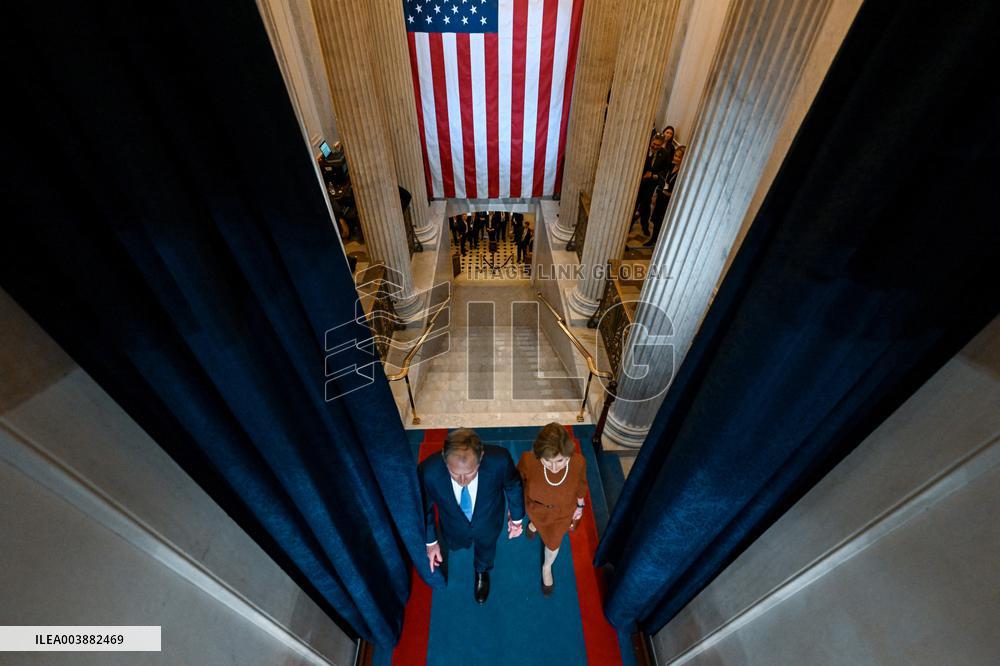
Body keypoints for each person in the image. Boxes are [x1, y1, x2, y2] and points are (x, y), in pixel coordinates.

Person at [419, 428, 524, 604]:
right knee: (453, 545)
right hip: (452, 528)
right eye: (455, 473)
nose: (462, 481)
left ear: (481, 457)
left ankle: (482, 571)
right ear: (444, 458)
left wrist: (516, 518)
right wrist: (431, 541)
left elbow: (513, 485)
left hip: (488, 524)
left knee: (487, 549)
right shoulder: (428, 472)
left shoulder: (500, 460)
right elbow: (425, 506)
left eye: (469, 473)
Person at [517, 423, 588, 596]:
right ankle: (535, 525)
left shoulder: (578, 462)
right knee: (536, 520)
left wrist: (580, 505)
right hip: (535, 508)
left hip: (561, 514)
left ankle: (546, 566)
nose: (554, 468)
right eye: (547, 461)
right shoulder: (528, 459)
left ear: (568, 454)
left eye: (560, 461)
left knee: (553, 542)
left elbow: (580, 485)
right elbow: (518, 481)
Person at [644, 145, 685, 247]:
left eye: (679, 157)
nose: (675, 158)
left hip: (670, 202)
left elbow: (681, 191)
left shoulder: (683, 172)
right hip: (661, 197)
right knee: (656, 220)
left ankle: (659, 244)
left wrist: (670, 194)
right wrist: (657, 193)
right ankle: (652, 239)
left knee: (663, 224)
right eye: (675, 155)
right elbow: (663, 180)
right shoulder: (670, 167)